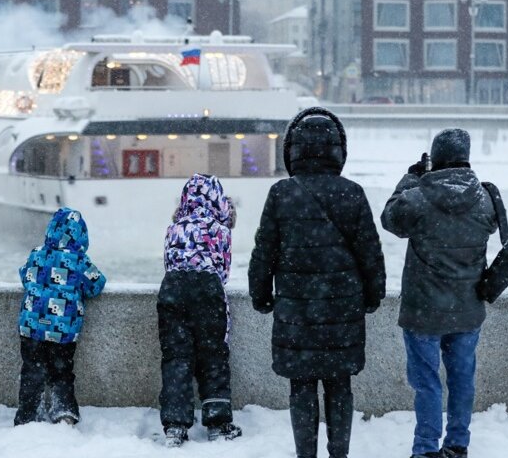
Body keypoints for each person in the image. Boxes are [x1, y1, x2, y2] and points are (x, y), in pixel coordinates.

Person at [248, 107, 386, 458]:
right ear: (338, 150)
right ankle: (339, 453)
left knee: (302, 386)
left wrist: (261, 296)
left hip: (297, 313)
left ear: (293, 150)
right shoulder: (352, 192)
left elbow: (264, 252)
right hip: (343, 312)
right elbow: (371, 253)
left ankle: (305, 454)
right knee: (340, 385)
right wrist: (372, 296)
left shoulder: (281, 193)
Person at [381, 128, 499, 458]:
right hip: (467, 309)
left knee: (427, 383)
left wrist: (410, 179)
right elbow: (490, 228)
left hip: (423, 312)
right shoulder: (485, 199)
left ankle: (425, 450)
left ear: (435, 158)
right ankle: (457, 445)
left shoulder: (418, 198)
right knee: (462, 380)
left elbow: (390, 219)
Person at [157, 174, 243, 447]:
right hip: (206, 289)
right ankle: (217, 421)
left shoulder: (174, 228)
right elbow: (223, 273)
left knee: (176, 357)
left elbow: (167, 263)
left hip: (172, 288)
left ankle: (175, 425)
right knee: (213, 355)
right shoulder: (220, 230)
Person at [16, 207, 106, 426]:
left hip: (32, 327)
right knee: (62, 371)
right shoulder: (79, 260)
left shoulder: (37, 253)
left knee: (32, 371)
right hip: (62, 330)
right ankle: (63, 411)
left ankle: (28, 413)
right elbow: (97, 284)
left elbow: (25, 276)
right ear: (81, 235)